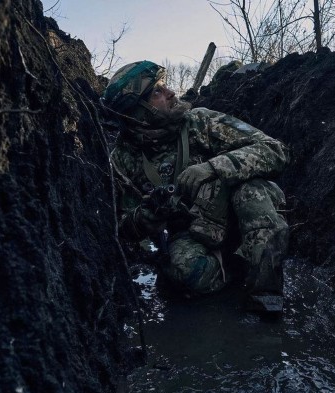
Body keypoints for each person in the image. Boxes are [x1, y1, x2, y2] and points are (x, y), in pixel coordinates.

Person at [102, 60, 290, 313]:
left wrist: (214, 167)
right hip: (194, 232)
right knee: (182, 273)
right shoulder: (123, 158)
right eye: (156, 91)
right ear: (137, 111)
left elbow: (274, 150)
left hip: (240, 213)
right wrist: (145, 218)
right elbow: (121, 228)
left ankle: (266, 296)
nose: (170, 92)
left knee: (251, 194)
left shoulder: (200, 122)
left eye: (164, 85)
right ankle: (239, 264)